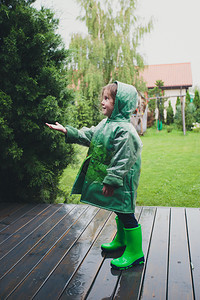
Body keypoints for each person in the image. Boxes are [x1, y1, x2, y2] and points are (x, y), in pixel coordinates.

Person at [46, 81, 144, 270]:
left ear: (120, 104)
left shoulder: (125, 130)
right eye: (103, 98)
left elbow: (124, 159)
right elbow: (91, 135)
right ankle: (122, 241)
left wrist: (112, 181)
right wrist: (68, 131)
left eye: (107, 98)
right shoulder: (106, 124)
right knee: (119, 209)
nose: (102, 102)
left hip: (123, 180)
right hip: (114, 178)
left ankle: (135, 252)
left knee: (126, 211)